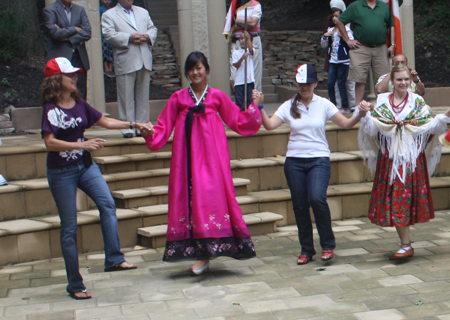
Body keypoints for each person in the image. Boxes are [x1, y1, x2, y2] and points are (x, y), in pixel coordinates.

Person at [141, 52, 263, 275]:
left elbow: (239, 120)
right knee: (188, 199)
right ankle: (201, 255)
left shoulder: (217, 97)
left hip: (212, 159)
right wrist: (150, 133)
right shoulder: (178, 98)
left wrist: (255, 106)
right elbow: (162, 127)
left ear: (207, 69)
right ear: (187, 72)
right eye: (191, 69)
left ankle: (208, 251)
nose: (195, 72)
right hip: (186, 160)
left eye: (199, 67)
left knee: (210, 198)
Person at [41, 57, 152, 299]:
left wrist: (134, 124)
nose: (75, 77)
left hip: (84, 166)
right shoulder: (51, 110)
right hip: (61, 172)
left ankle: (113, 258)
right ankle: (75, 285)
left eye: (74, 74)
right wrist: (82, 144)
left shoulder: (79, 103)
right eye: (69, 74)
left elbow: (105, 121)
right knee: (69, 228)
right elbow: (49, 143)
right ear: (56, 80)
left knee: (107, 204)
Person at [257, 64, 368, 265]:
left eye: (308, 83)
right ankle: (306, 249)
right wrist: (260, 106)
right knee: (300, 206)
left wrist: (359, 114)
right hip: (294, 161)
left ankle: (327, 245)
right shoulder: (289, 104)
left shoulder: (324, 104)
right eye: (301, 84)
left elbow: (345, 124)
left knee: (317, 198)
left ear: (315, 83)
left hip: (319, 159)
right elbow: (270, 125)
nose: (304, 87)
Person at [357, 65, 450, 260]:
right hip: (390, 159)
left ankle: (405, 245)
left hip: (410, 160)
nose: (403, 83)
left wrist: (447, 114)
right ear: (392, 80)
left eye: (406, 79)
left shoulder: (417, 101)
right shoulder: (383, 102)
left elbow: (429, 126)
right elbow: (372, 129)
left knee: (402, 198)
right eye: (399, 79)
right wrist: (365, 114)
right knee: (397, 200)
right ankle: (405, 244)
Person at [102, 0, 158, 138]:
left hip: (144, 58)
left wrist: (147, 36)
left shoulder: (143, 12)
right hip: (126, 58)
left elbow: (153, 28)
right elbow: (108, 34)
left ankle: (143, 126)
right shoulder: (109, 14)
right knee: (125, 96)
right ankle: (127, 127)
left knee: (143, 95)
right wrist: (129, 38)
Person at [334, 0, 395, 106]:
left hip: (380, 47)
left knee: (383, 79)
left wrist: (393, 44)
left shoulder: (384, 7)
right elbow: (340, 21)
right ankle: (358, 108)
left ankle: (382, 108)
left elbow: (391, 26)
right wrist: (348, 40)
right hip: (361, 47)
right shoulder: (356, 6)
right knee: (359, 79)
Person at [43, 0, 92, 100]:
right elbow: (55, 33)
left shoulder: (80, 10)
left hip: (79, 57)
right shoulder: (50, 10)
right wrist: (76, 29)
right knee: (59, 92)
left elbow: (87, 33)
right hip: (60, 60)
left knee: (80, 93)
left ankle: (80, 115)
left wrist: (68, 38)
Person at [321, 4, 354, 114]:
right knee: (330, 83)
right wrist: (325, 36)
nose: (334, 18)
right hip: (333, 60)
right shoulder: (330, 30)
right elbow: (324, 45)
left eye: (337, 16)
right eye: (333, 16)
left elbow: (351, 42)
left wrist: (343, 37)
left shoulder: (346, 29)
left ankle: (345, 107)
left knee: (341, 84)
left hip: (343, 61)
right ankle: (333, 105)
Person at [226, 0, 263, 92]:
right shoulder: (234, 5)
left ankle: (255, 104)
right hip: (237, 43)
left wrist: (235, 21)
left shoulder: (256, 4)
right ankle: (241, 103)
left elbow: (252, 23)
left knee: (255, 78)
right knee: (234, 77)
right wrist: (245, 22)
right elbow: (228, 25)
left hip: (253, 41)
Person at [232, 31, 256, 111]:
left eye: (245, 39)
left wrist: (248, 38)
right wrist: (242, 58)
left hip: (249, 80)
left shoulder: (250, 51)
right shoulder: (236, 52)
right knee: (239, 102)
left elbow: (252, 51)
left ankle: (249, 118)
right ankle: (240, 119)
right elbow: (236, 65)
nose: (243, 40)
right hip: (239, 81)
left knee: (250, 101)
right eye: (241, 38)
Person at [100, 0, 115, 78]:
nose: (107, 1)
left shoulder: (112, 9)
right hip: (103, 35)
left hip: (112, 34)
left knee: (111, 50)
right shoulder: (100, 9)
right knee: (105, 50)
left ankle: (111, 68)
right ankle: (106, 68)